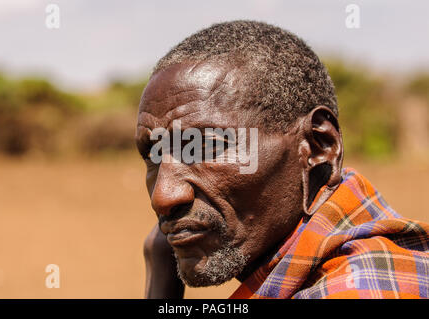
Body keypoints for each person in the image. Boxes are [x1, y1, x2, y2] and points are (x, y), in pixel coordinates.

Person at [136, 20, 429, 299]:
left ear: (318, 146)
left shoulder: (356, 289)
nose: (163, 197)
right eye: (154, 155)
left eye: (206, 146)